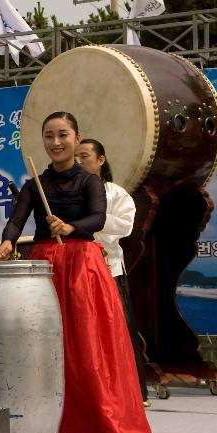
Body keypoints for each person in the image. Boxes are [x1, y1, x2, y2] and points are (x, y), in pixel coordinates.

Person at [0, 112, 150, 433]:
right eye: (49, 136)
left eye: (63, 135)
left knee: (88, 340)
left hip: (83, 263)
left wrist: (71, 227)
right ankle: (49, 414)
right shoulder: (33, 184)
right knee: (44, 341)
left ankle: (98, 414)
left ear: (77, 139)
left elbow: (97, 218)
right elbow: (16, 220)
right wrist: (8, 240)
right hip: (44, 263)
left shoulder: (91, 181)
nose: (55, 142)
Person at [75, 138, 152, 406]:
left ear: (100, 160)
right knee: (83, 333)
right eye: (76, 157)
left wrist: (92, 219)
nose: (79, 161)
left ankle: (135, 392)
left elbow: (124, 226)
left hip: (108, 268)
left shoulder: (116, 193)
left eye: (84, 156)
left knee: (122, 330)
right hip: (77, 269)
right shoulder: (69, 192)